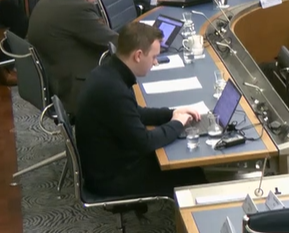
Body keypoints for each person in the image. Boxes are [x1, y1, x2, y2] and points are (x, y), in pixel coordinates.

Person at [74, 22, 204, 198]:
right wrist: (177, 124)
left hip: (110, 162)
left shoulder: (110, 71)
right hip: (112, 179)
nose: (156, 63)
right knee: (194, 175)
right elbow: (145, 142)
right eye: (153, 57)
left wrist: (172, 113)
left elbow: (136, 112)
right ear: (138, 55)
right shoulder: (114, 91)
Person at [27, 0, 117, 113]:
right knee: (125, 63)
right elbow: (112, 42)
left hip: (54, 72)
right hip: (71, 87)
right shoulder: (78, 9)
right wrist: (149, 42)